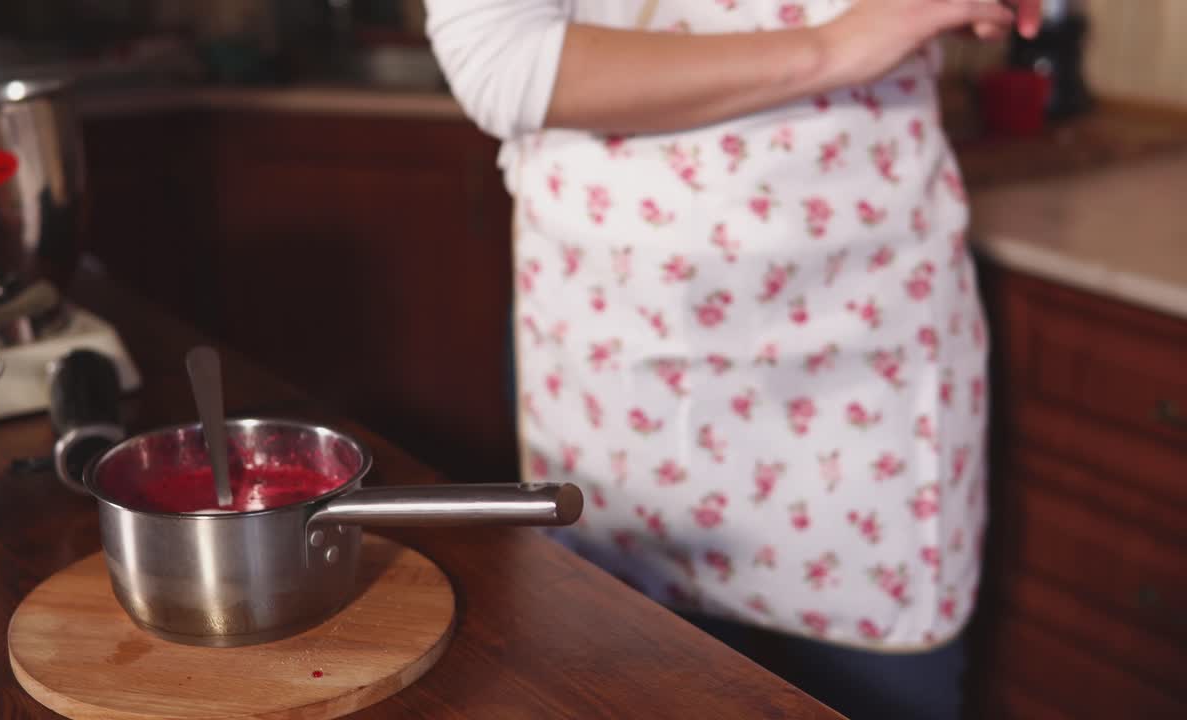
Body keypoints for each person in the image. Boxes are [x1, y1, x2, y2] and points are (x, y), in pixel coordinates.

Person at [423, 2, 1040, 718]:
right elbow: (503, 62)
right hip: (621, 347)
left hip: (869, 336)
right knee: (629, 688)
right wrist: (836, 45)